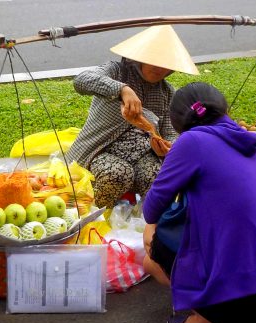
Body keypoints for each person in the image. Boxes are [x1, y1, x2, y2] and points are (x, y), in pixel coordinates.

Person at [142, 82, 256, 323]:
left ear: (177, 123)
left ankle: (207, 318)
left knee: (150, 254)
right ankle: (215, 309)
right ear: (224, 109)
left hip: (233, 305)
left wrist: (174, 158)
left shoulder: (190, 142)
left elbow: (151, 208)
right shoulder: (251, 141)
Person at [66, 25, 198, 209]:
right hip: (100, 150)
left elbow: (170, 131)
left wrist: (167, 147)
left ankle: (148, 222)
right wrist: (122, 89)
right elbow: (81, 80)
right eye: (154, 60)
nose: (159, 68)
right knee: (118, 173)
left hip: (142, 154)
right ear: (141, 56)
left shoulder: (168, 93)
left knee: (157, 175)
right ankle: (94, 215)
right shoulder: (116, 71)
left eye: (166, 64)